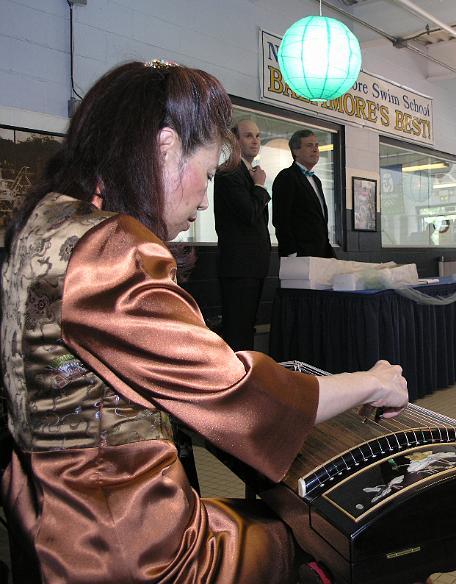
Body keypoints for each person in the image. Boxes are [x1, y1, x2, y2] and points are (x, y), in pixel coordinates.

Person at [0, 61, 408, 583]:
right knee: (350, 537)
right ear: (166, 145)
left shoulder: (48, 220)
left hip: (46, 518)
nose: (203, 198)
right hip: (124, 546)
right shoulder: (109, 250)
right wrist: (371, 382)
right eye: (209, 173)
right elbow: (238, 395)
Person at [214, 118, 271, 351]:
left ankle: (248, 379)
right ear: (234, 140)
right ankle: (236, 383)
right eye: (248, 135)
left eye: (257, 136)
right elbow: (249, 214)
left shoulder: (248, 172)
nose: (255, 141)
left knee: (247, 328)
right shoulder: (229, 172)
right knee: (237, 331)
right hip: (239, 267)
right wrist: (259, 187)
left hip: (253, 266)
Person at [272, 129, 335, 258]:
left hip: (321, 254)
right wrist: (291, 252)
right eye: (309, 145)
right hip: (299, 254)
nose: (315, 149)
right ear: (296, 151)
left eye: (316, 145)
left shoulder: (316, 180)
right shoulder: (287, 177)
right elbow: (281, 219)